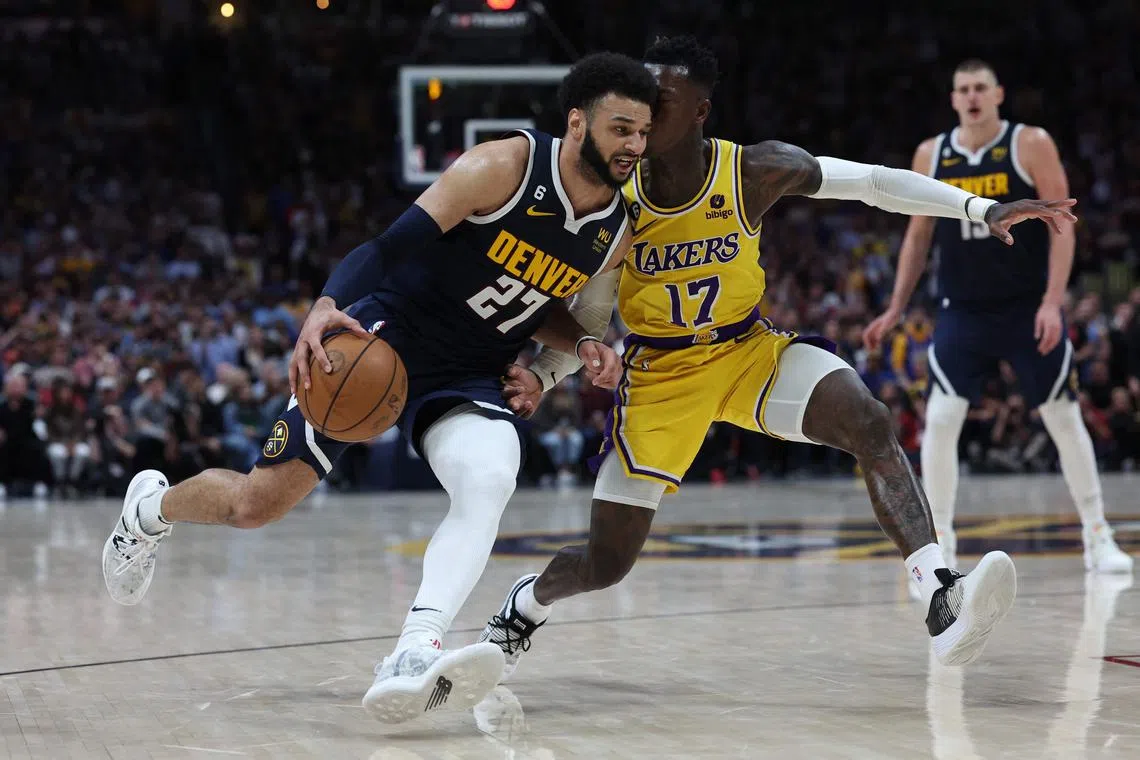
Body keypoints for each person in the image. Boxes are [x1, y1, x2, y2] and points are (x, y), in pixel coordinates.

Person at [479, 37, 1078, 679]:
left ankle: (939, 594)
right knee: (607, 562)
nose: (646, 111)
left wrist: (979, 208)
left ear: (701, 112)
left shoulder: (753, 170)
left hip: (746, 350)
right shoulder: (615, 198)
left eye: (663, 99)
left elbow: (873, 185)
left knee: (868, 418)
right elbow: (593, 315)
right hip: (661, 376)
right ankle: (523, 607)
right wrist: (543, 374)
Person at [99, 52, 652, 723]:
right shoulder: (502, 167)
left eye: (643, 133)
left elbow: (543, 306)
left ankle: (416, 650)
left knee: (489, 479)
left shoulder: (615, 230)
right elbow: (389, 248)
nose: (634, 146)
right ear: (577, 123)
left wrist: (583, 345)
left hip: (468, 371)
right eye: (621, 128)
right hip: (382, 345)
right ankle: (150, 511)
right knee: (254, 506)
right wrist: (326, 304)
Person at [863, 59, 1132, 580]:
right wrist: (896, 306)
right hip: (962, 310)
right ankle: (939, 541)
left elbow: (1062, 222)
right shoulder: (931, 153)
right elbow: (918, 236)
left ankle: (1097, 536)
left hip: (1025, 306)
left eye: (980, 87)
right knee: (940, 420)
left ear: (999, 94)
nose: (971, 96)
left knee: (1062, 416)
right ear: (953, 98)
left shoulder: (1029, 143)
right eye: (962, 89)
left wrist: (1054, 301)